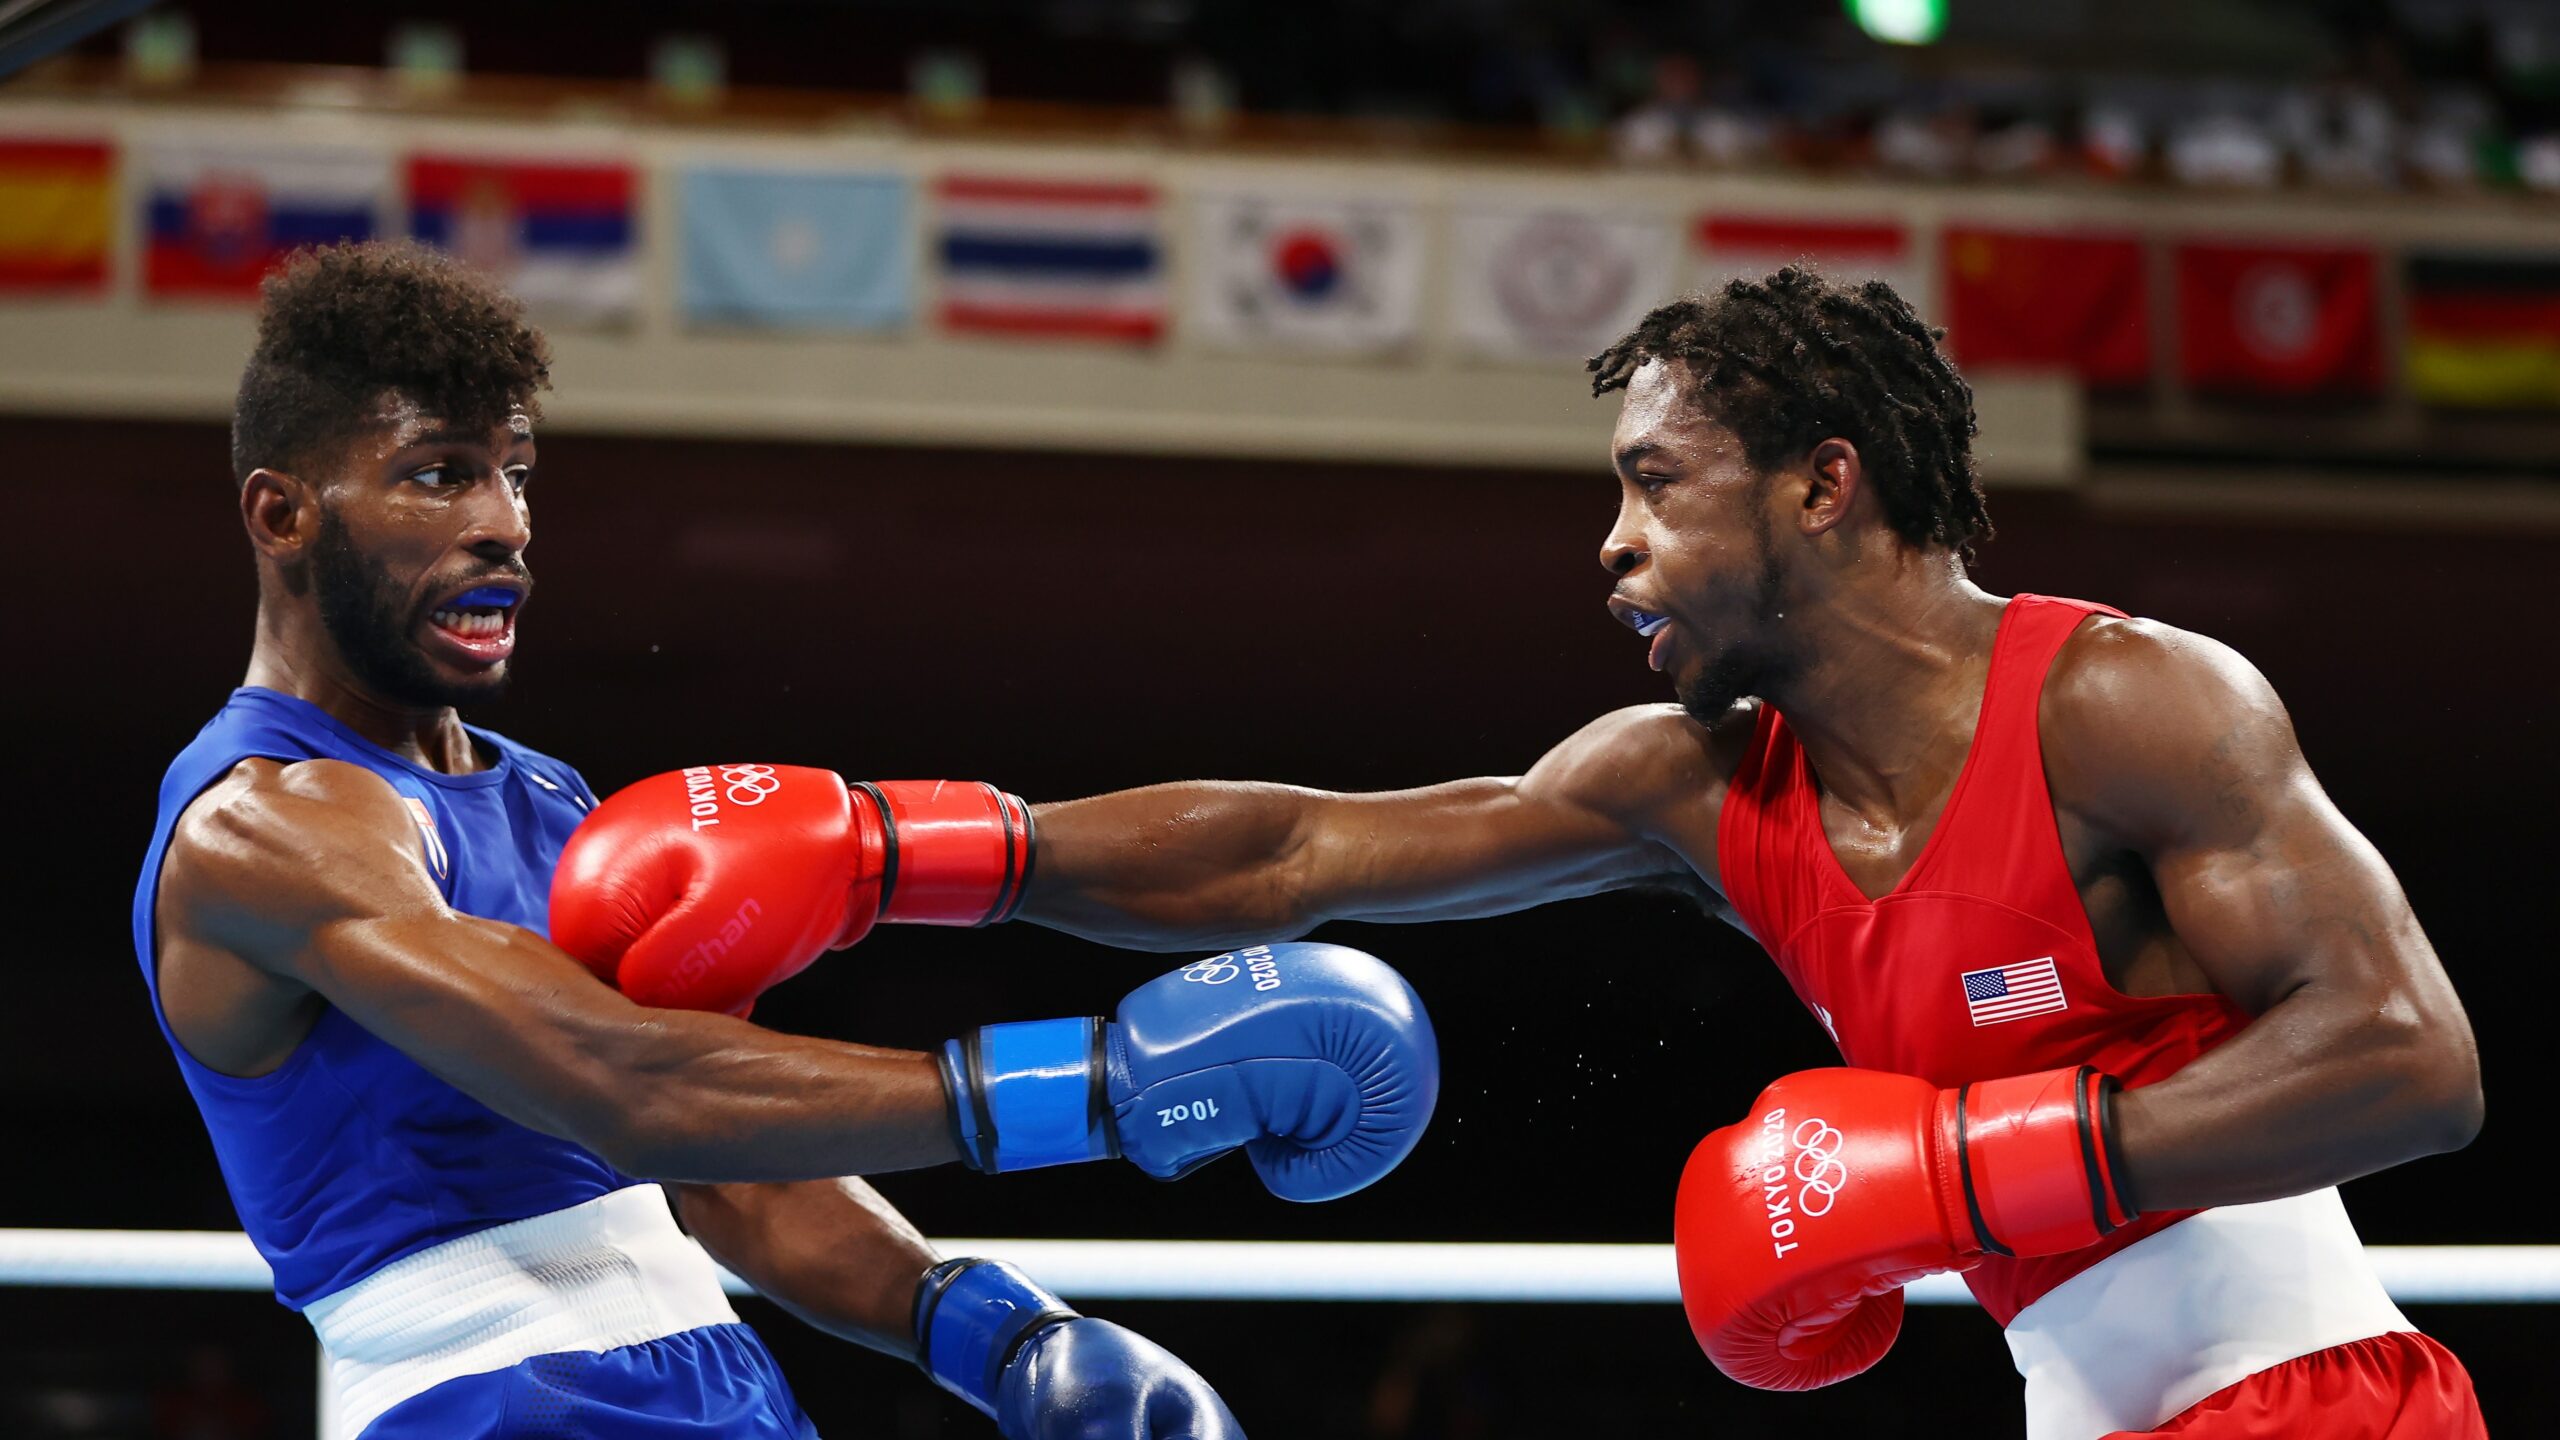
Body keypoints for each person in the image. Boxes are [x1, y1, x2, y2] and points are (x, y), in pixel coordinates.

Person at [580, 269, 2484, 1438]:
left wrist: (1973, 1175)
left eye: (1655, 485)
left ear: (1825, 480)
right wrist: (913, 851)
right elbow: (1298, 850)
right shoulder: (1696, 781)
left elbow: (2413, 1060)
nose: (1611, 544)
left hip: (2317, 1402)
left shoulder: (2125, 702)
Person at [137, 241, 1436, 1440]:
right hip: (483, 1403)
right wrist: (1097, 1085)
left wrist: (1001, 1334)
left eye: (516, 474)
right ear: (282, 516)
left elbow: (732, 1176)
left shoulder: (547, 802)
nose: (506, 524)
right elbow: (632, 1088)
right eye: (438, 475)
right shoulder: (264, 826)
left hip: (711, 1382)